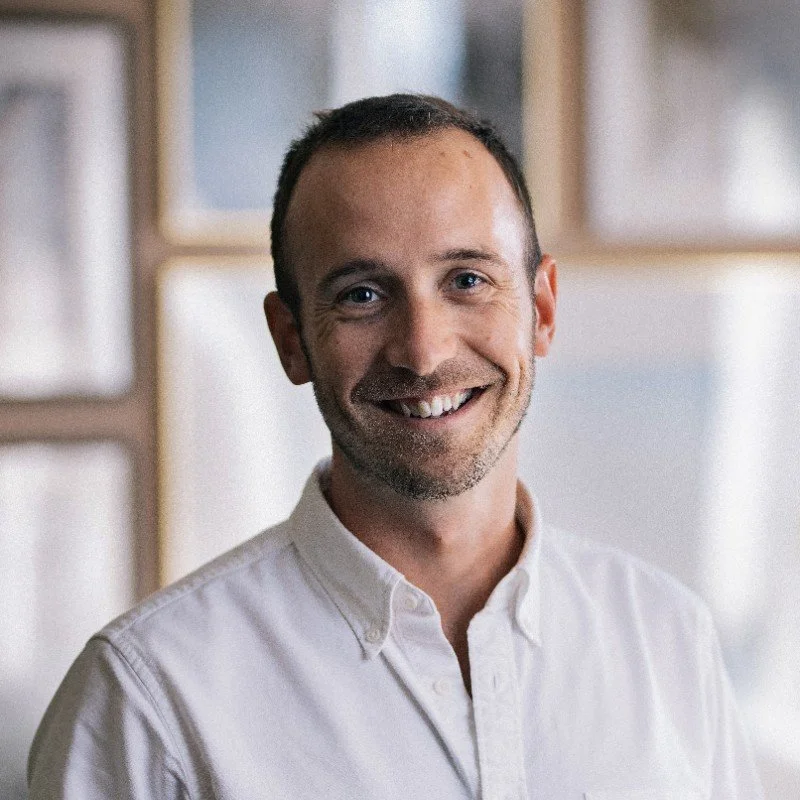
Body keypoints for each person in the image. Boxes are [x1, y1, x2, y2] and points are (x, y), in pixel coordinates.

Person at [28, 95, 763, 799]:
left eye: (467, 280)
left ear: (540, 310)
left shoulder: (669, 641)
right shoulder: (149, 699)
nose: (422, 350)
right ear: (291, 341)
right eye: (362, 295)